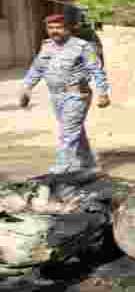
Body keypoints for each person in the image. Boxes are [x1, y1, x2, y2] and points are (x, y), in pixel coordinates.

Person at [19, 13, 110, 177]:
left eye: (58, 28)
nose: (54, 31)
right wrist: (26, 88)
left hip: (77, 95)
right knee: (75, 131)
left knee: (68, 131)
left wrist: (103, 92)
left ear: (68, 29)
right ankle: (88, 164)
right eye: (51, 28)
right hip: (56, 97)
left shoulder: (83, 46)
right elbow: (37, 68)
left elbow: (96, 70)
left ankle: (61, 168)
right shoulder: (46, 46)